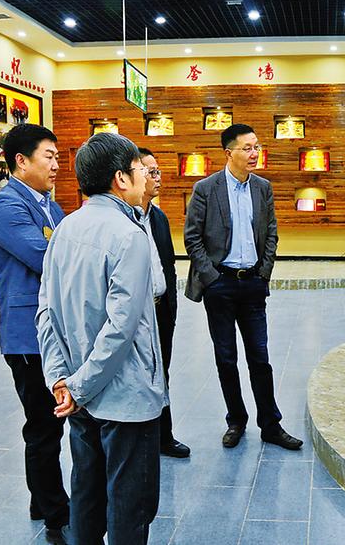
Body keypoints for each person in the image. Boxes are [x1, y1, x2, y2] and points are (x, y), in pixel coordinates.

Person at [37, 132, 166, 544]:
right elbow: (121, 328)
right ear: (120, 178)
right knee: (131, 508)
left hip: (78, 396)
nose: (146, 177)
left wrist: (61, 380)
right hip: (125, 400)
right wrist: (77, 385)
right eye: (140, 170)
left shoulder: (64, 229)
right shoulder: (129, 235)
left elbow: (46, 313)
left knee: (87, 500)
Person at [184, 123, 302, 451]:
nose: (254, 153)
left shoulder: (262, 188)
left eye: (256, 147)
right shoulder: (206, 189)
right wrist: (210, 278)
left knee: (260, 358)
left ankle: (271, 425)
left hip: (252, 284)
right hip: (220, 284)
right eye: (247, 148)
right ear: (229, 153)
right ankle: (236, 420)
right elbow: (192, 237)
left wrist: (264, 273)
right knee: (226, 358)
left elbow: (271, 232)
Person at [0, 123, 70, 544]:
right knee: (43, 426)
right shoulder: (6, 206)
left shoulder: (50, 206)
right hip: (26, 335)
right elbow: (47, 255)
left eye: (57, 157)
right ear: (21, 161)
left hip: (50, 330)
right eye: (48, 156)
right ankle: (56, 516)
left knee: (51, 424)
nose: (56, 165)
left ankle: (42, 500)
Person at [138, 147, 190, 459]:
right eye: (151, 172)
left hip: (161, 310)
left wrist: (170, 305)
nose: (158, 178)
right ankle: (141, 440)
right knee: (139, 376)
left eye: (159, 171)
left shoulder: (158, 217)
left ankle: (163, 436)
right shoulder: (123, 219)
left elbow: (167, 265)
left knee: (162, 373)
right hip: (136, 313)